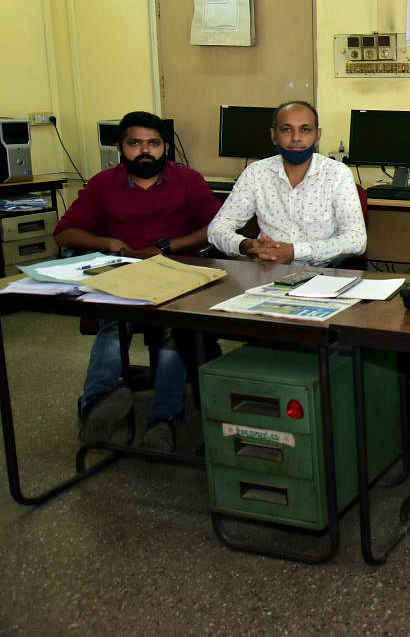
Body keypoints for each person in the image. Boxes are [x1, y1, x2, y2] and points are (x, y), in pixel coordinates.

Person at [54, 110, 222, 452]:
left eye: (153, 144)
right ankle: (97, 403)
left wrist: (165, 248)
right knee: (113, 325)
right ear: (120, 147)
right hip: (124, 278)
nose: (145, 151)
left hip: (175, 276)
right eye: (135, 143)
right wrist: (108, 244)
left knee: (173, 331)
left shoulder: (188, 180)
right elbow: (64, 232)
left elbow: (216, 228)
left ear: (164, 148)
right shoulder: (102, 184)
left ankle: (162, 421)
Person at [207, 100, 366, 266]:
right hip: (267, 272)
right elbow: (217, 229)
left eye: (305, 130)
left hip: (322, 275)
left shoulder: (337, 174)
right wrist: (246, 245)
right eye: (286, 129)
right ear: (273, 135)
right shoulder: (256, 172)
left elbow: (356, 240)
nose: (296, 138)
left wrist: (295, 251)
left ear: (317, 136)